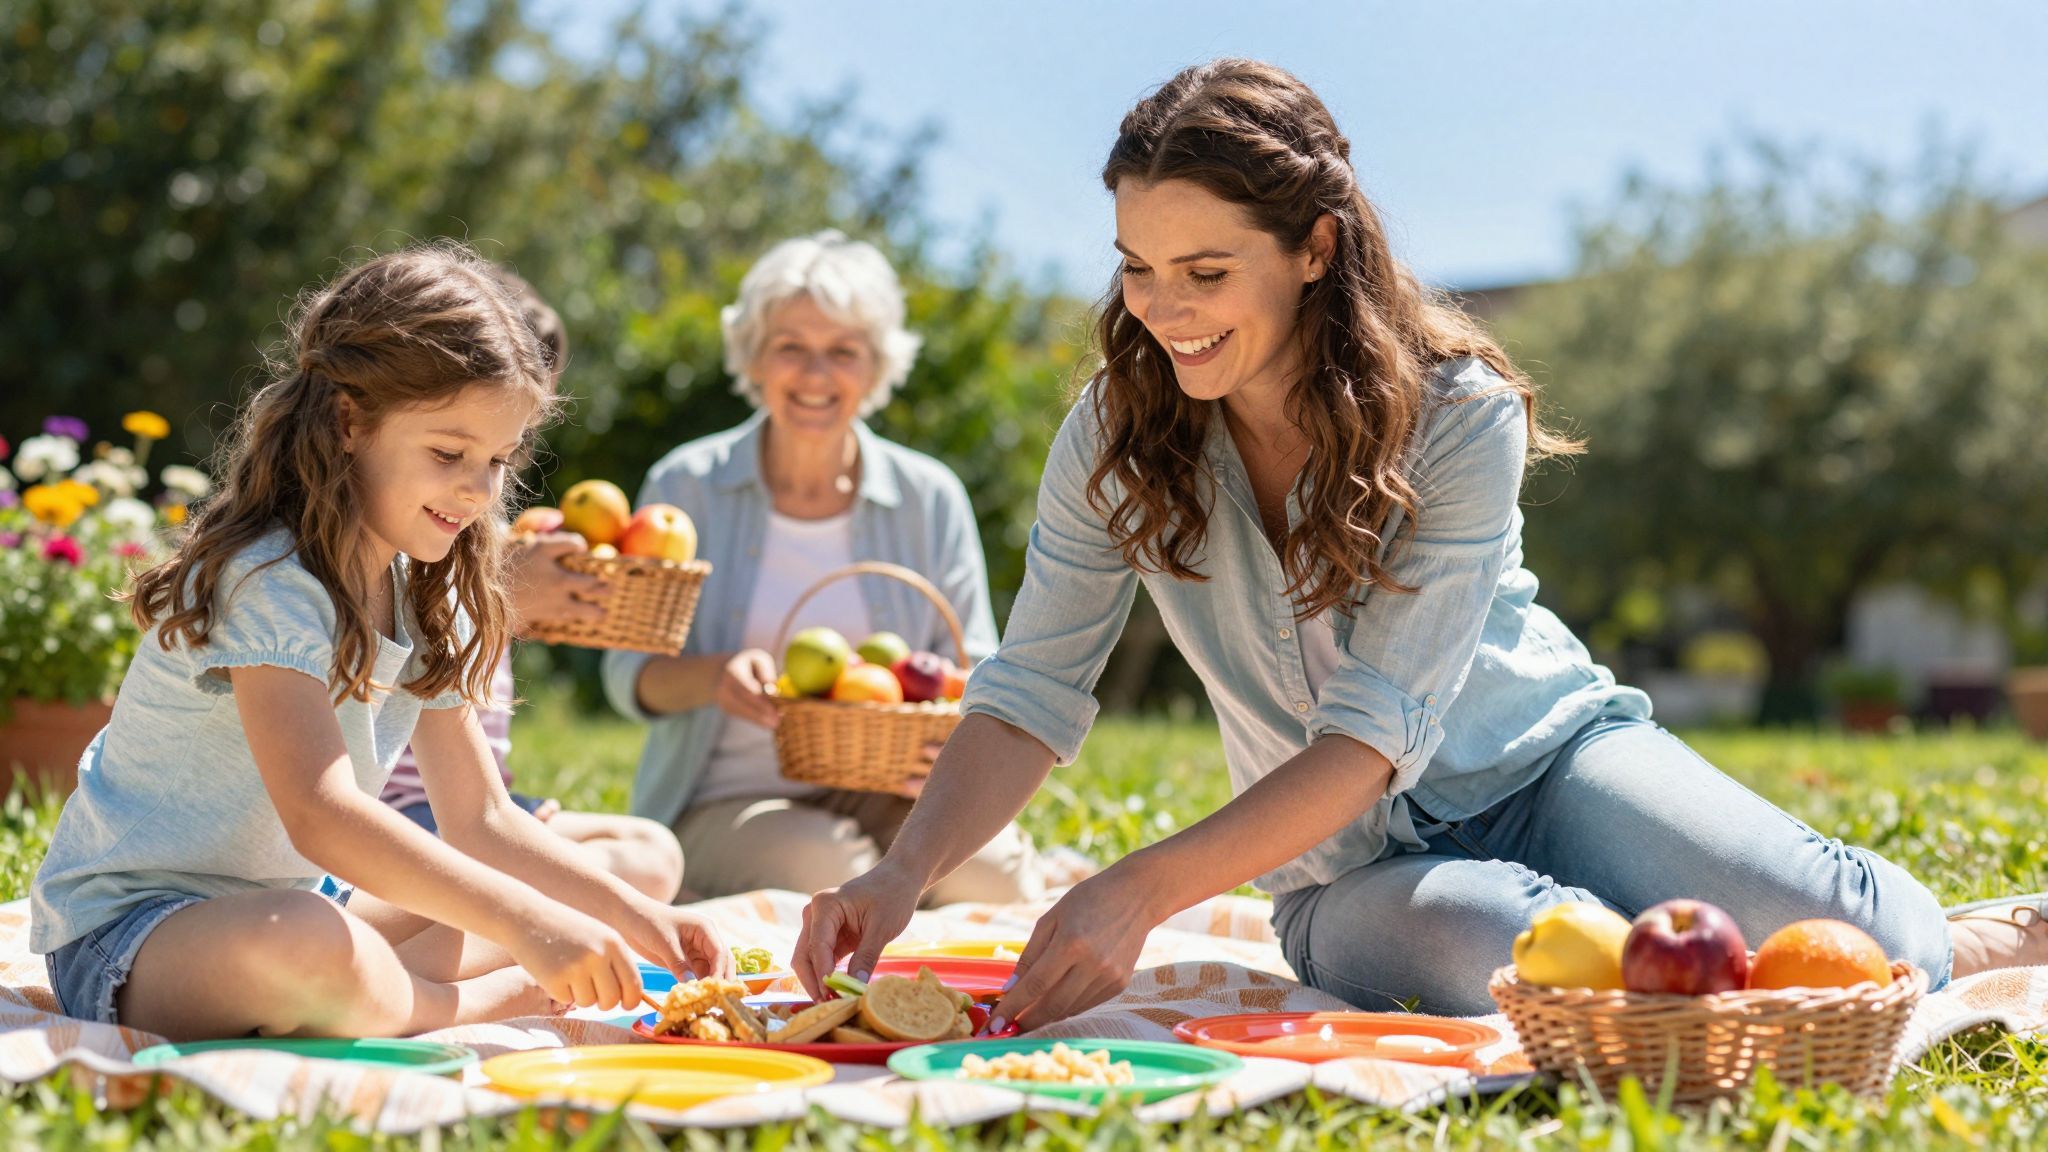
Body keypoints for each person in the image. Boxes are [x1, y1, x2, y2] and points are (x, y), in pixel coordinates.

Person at [794, 60, 2046, 1030]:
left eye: (1204, 269)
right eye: (1136, 267)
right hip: (1344, 872)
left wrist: (1135, 888)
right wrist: (900, 876)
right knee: (1546, 965)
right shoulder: (1114, 433)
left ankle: (1976, 939)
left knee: (1848, 944)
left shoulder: (1455, 411)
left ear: (1314, 247)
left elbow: (1367, 733)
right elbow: (1031, 689)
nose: (1162, 310)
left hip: (1551, 760)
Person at [31, 245, 727, 1040]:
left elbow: (483, 821)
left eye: (498, 461)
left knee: (505, 895)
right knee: (318, 943)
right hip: (134, 937)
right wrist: (531, 925)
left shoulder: (429, 592)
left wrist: (641, 919)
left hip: (302, 903)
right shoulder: (268, 581)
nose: (478, 489)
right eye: (447, 454)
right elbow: (322, 818)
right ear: (348, 419)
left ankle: (383, 989)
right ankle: (460, 1004)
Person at [601, 231, 1043, 904]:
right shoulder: (688, 484)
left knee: (995, 881)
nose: (815, 375)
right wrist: (715, 676)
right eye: (791, 348)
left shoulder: (928, 497)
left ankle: (930, 981)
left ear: (875, 369)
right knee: (827, 873)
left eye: (843, 352)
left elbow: (974, 668)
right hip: (725, 800)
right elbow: (625, 674)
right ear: (754, 356)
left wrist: (940, 741)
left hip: (886, 788)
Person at [380, 267, 685, 904]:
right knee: (625, 877)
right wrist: (505, 597)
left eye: (508, 447)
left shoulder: (471, 518)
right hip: (403, 808)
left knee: (653, 855)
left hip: (474, 802)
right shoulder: (408, 525)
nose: (497, 464)